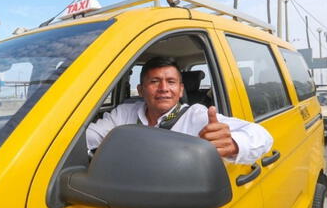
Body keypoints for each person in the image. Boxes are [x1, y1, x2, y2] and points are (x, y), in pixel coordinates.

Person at [86, 57, 273, 165]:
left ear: (181, 90)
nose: (164, 88)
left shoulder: (197, 116)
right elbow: (88, 137)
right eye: (154, 82)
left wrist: (233, 143)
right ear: (141, 90)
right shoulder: (124, 113)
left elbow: (262, 135)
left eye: (171, 82)